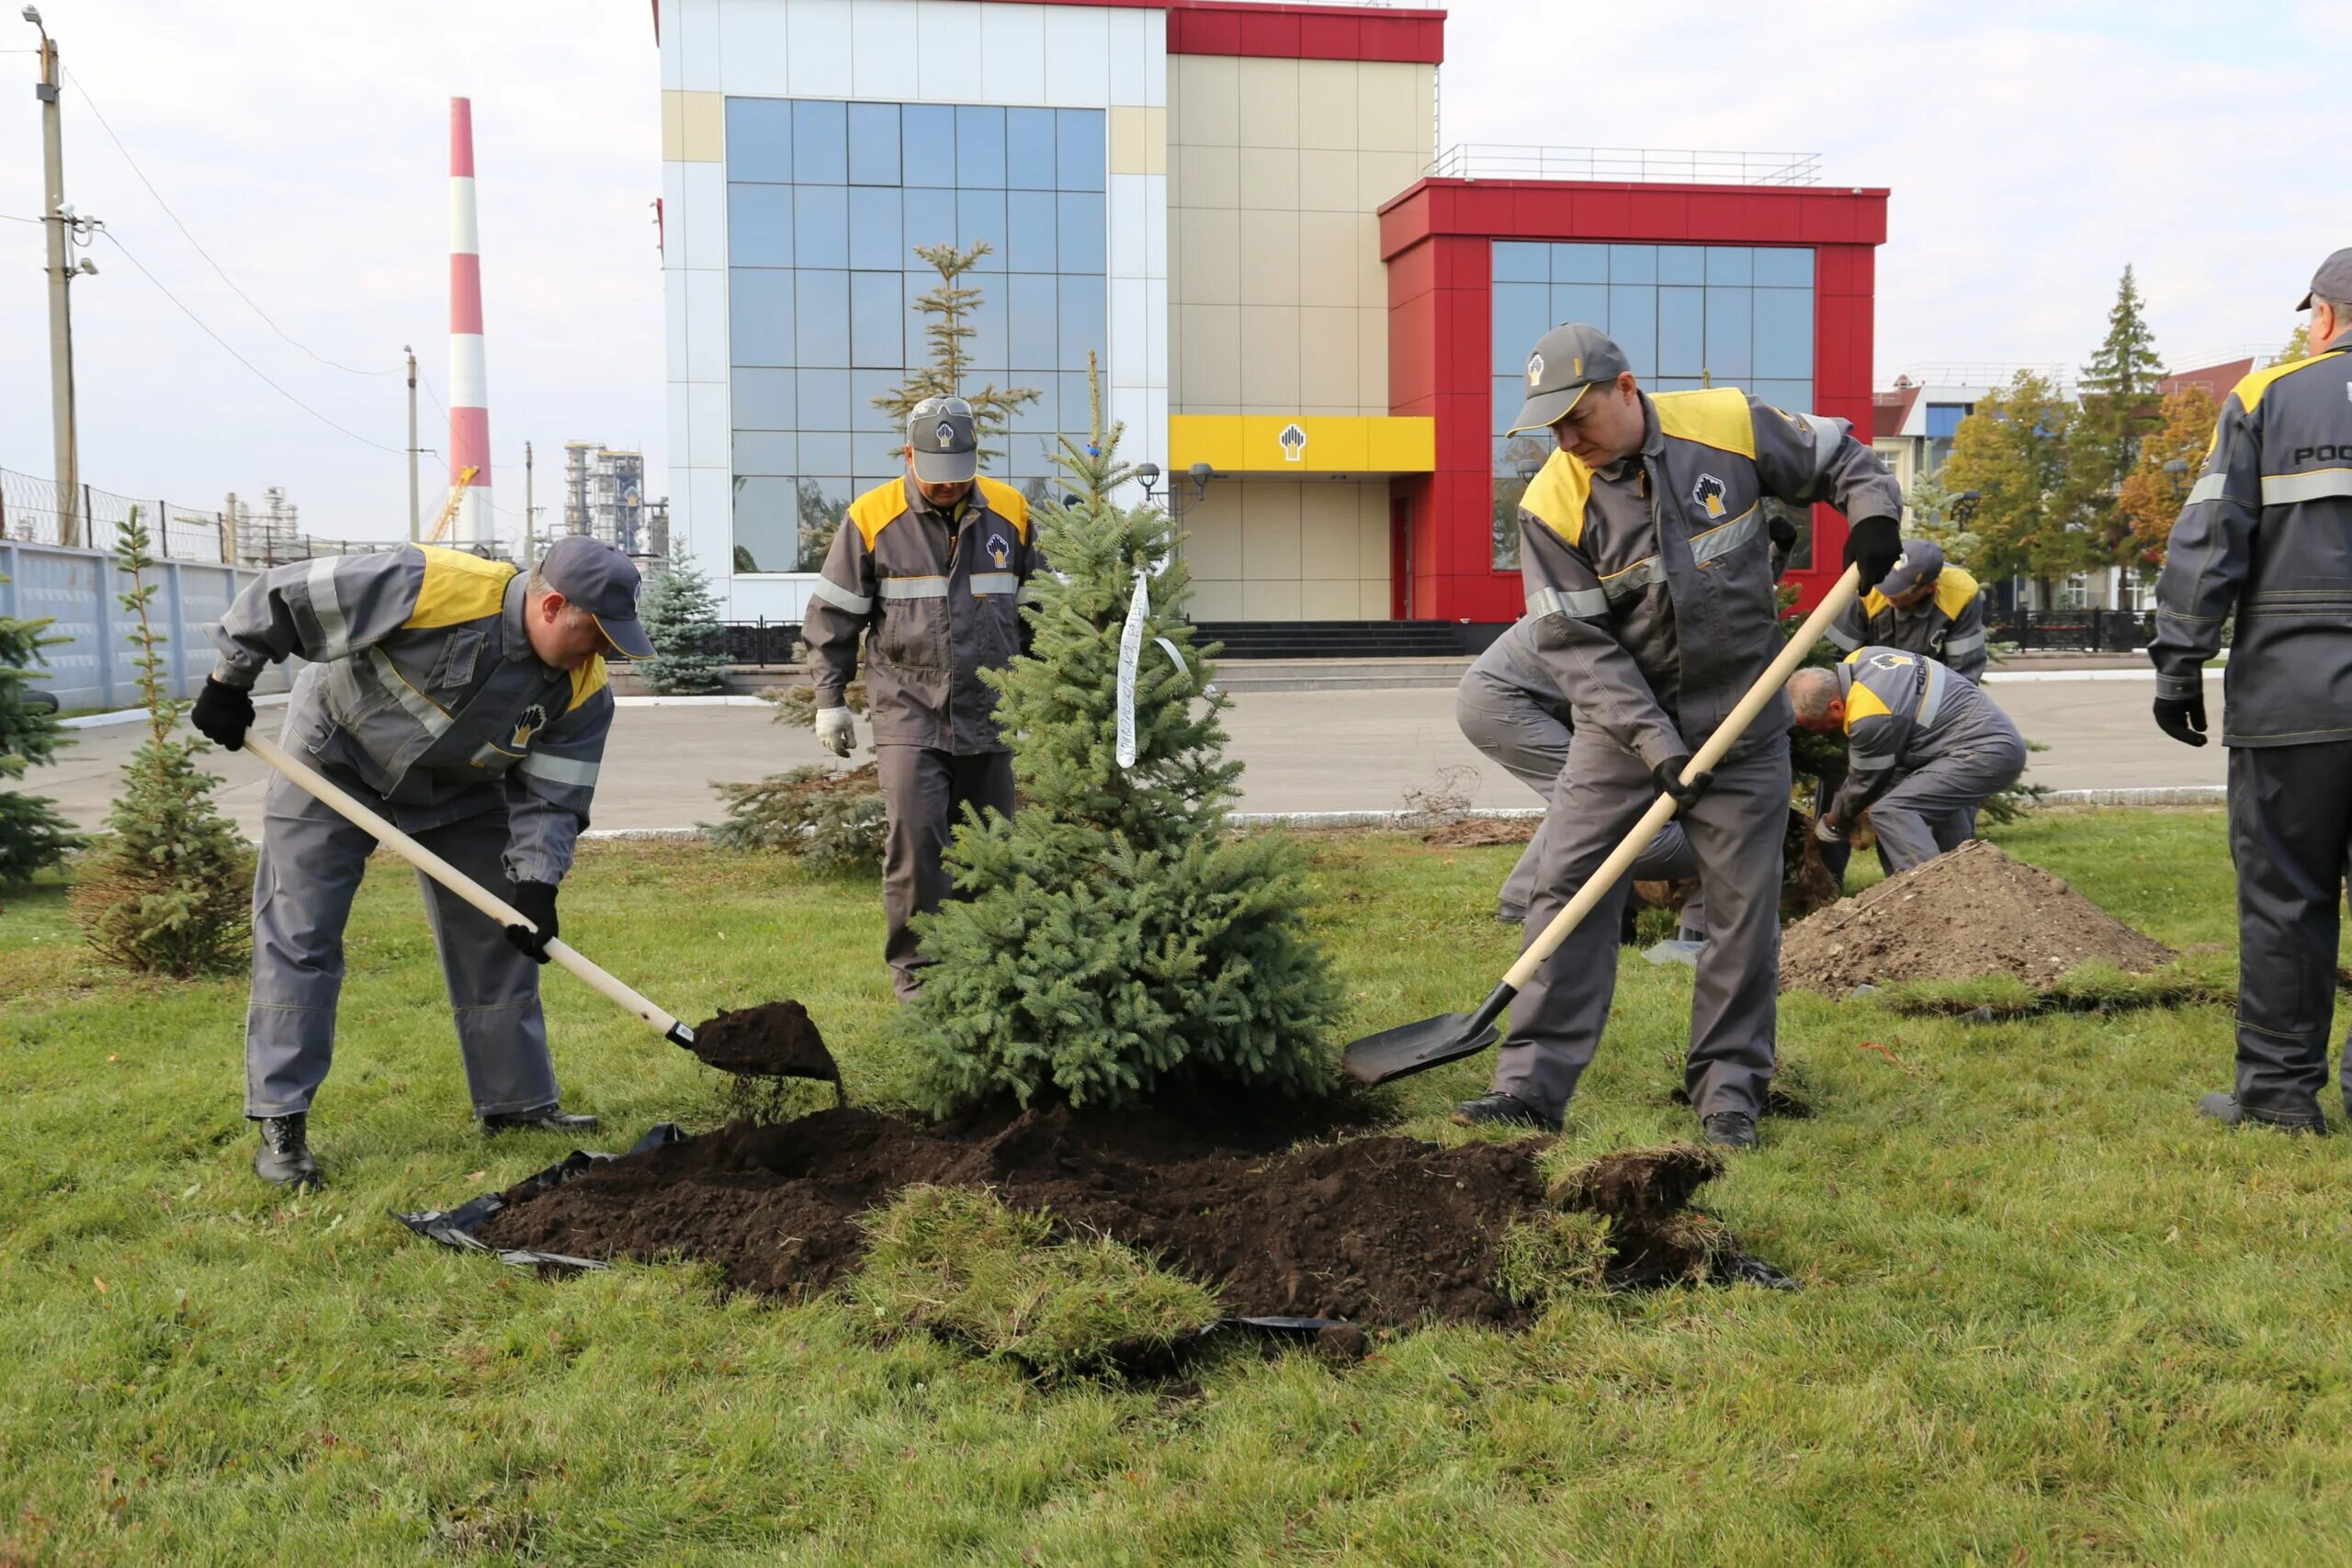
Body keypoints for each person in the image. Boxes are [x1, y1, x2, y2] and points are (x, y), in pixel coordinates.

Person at [1453, 322, 1904, 1147]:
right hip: (1620, 730)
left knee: (1741, 907)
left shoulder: (1725, 425)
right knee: (1568, 886)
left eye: (1577, 416)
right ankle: (1530, 1086)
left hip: (1745, 716)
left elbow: (1843, 457)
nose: (1566, 439)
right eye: (1550, 426)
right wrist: (1657, 747)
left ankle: (1729, 1094)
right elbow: (1577, 650)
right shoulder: (1552, 502)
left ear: (1626, 390)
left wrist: (1873, 515)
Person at [191, 534, 646, 1188]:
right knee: (302, 932)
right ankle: (282, 1120)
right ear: (550, 606)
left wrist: (537, 884)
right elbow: (283, 594)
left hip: (460, 793)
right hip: (333, 756)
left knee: (500, 938)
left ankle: (518, 1104)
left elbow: (551, 799)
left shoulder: (583, 688)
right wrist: (230, 681)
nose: (602, 649)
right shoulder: (429, 582)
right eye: (597, 632)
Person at [2151, 250, 2352, 1135]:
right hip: (2292, 696)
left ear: (2327, 316)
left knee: (2285, 898)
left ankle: (2277, 1098)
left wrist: (2178, 660)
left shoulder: (2267, 397)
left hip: (2293, 702)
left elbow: (2209, 535)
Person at [800, 396, 1041, 999]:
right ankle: (919, 985)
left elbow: (1041, 616)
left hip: (992, 713)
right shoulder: (871, 519)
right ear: (909, 455)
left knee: (993, 849)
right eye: (935, 474)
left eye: (959, 472)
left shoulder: (1010, 514)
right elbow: (833, 616)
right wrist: (830, 699)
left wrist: (1047, 694)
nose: (947, 485)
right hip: (909, 711)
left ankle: (991, 974)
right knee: (915, 849)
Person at [1458, 623, 1710, 940]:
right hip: (1509, 700)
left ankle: (1525, 897)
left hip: (1516, 693)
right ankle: (1540, 904)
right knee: (1598, 803)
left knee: (1582, 798)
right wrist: (1718, 845)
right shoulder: (1653, 614)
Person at [1790, 648, 2025, 873]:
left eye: (1819, 726)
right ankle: (1918, 897)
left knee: (1892, 811)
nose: (1822, 733)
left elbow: (1865, 782)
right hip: (1969, 742)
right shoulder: (1863, 657)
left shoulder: (1870, 714)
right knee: (1893, 808)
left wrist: (1834, 821)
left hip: (1983, 752)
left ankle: (1933, 895)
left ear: (1836, 705)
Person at [1823, 537, 1988, 680]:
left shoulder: (1961, 594)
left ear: (1930, 587)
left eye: (1900, 591)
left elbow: (1965, 671)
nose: (1888, 595)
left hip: (1932, 689)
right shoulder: (1871, 586)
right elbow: (1831, 654)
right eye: (1887, 584)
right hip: (1866, 683)